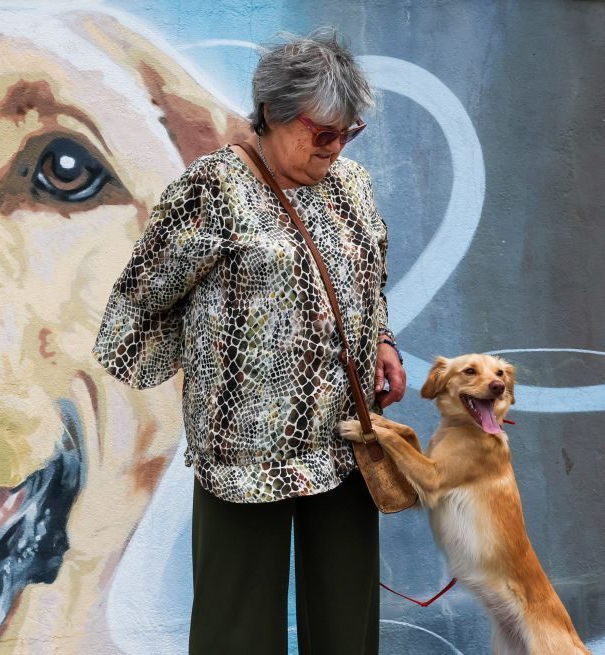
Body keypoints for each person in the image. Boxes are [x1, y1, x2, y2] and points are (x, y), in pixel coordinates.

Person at [93, 28, 406, 655]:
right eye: (323, 133)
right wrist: (218, 365)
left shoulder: (351, 185)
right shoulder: (212, 190)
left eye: (349, 132)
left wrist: (381, 339)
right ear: (276, 116)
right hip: (244, 451)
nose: (336, 147)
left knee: (347, 626)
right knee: (237, 629)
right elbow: (139, 303)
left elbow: (367, 276)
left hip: (342, 439)